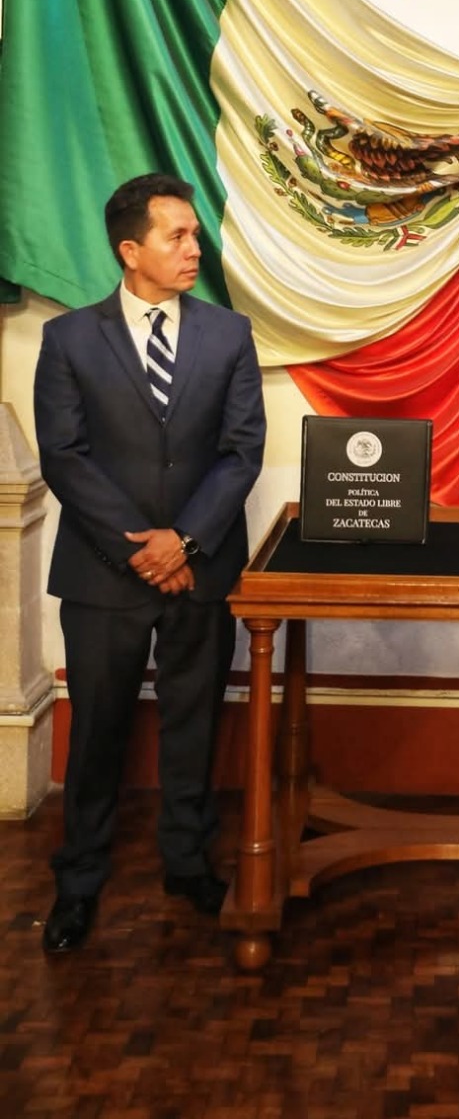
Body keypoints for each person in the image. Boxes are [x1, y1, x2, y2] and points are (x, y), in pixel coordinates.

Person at [34, 173, 266, 954]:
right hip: (104, 572)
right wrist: (142, 546)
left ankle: (186, 862)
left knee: (192, 722)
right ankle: (78, 883)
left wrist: (185, 543)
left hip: (199, 568)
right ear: (130, 251)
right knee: (97, 729)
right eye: (177, 236)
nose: (194, 247)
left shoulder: (228, 335)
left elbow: (241, 453)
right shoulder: (68, 340)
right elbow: (65, 458)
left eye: (195, 234)